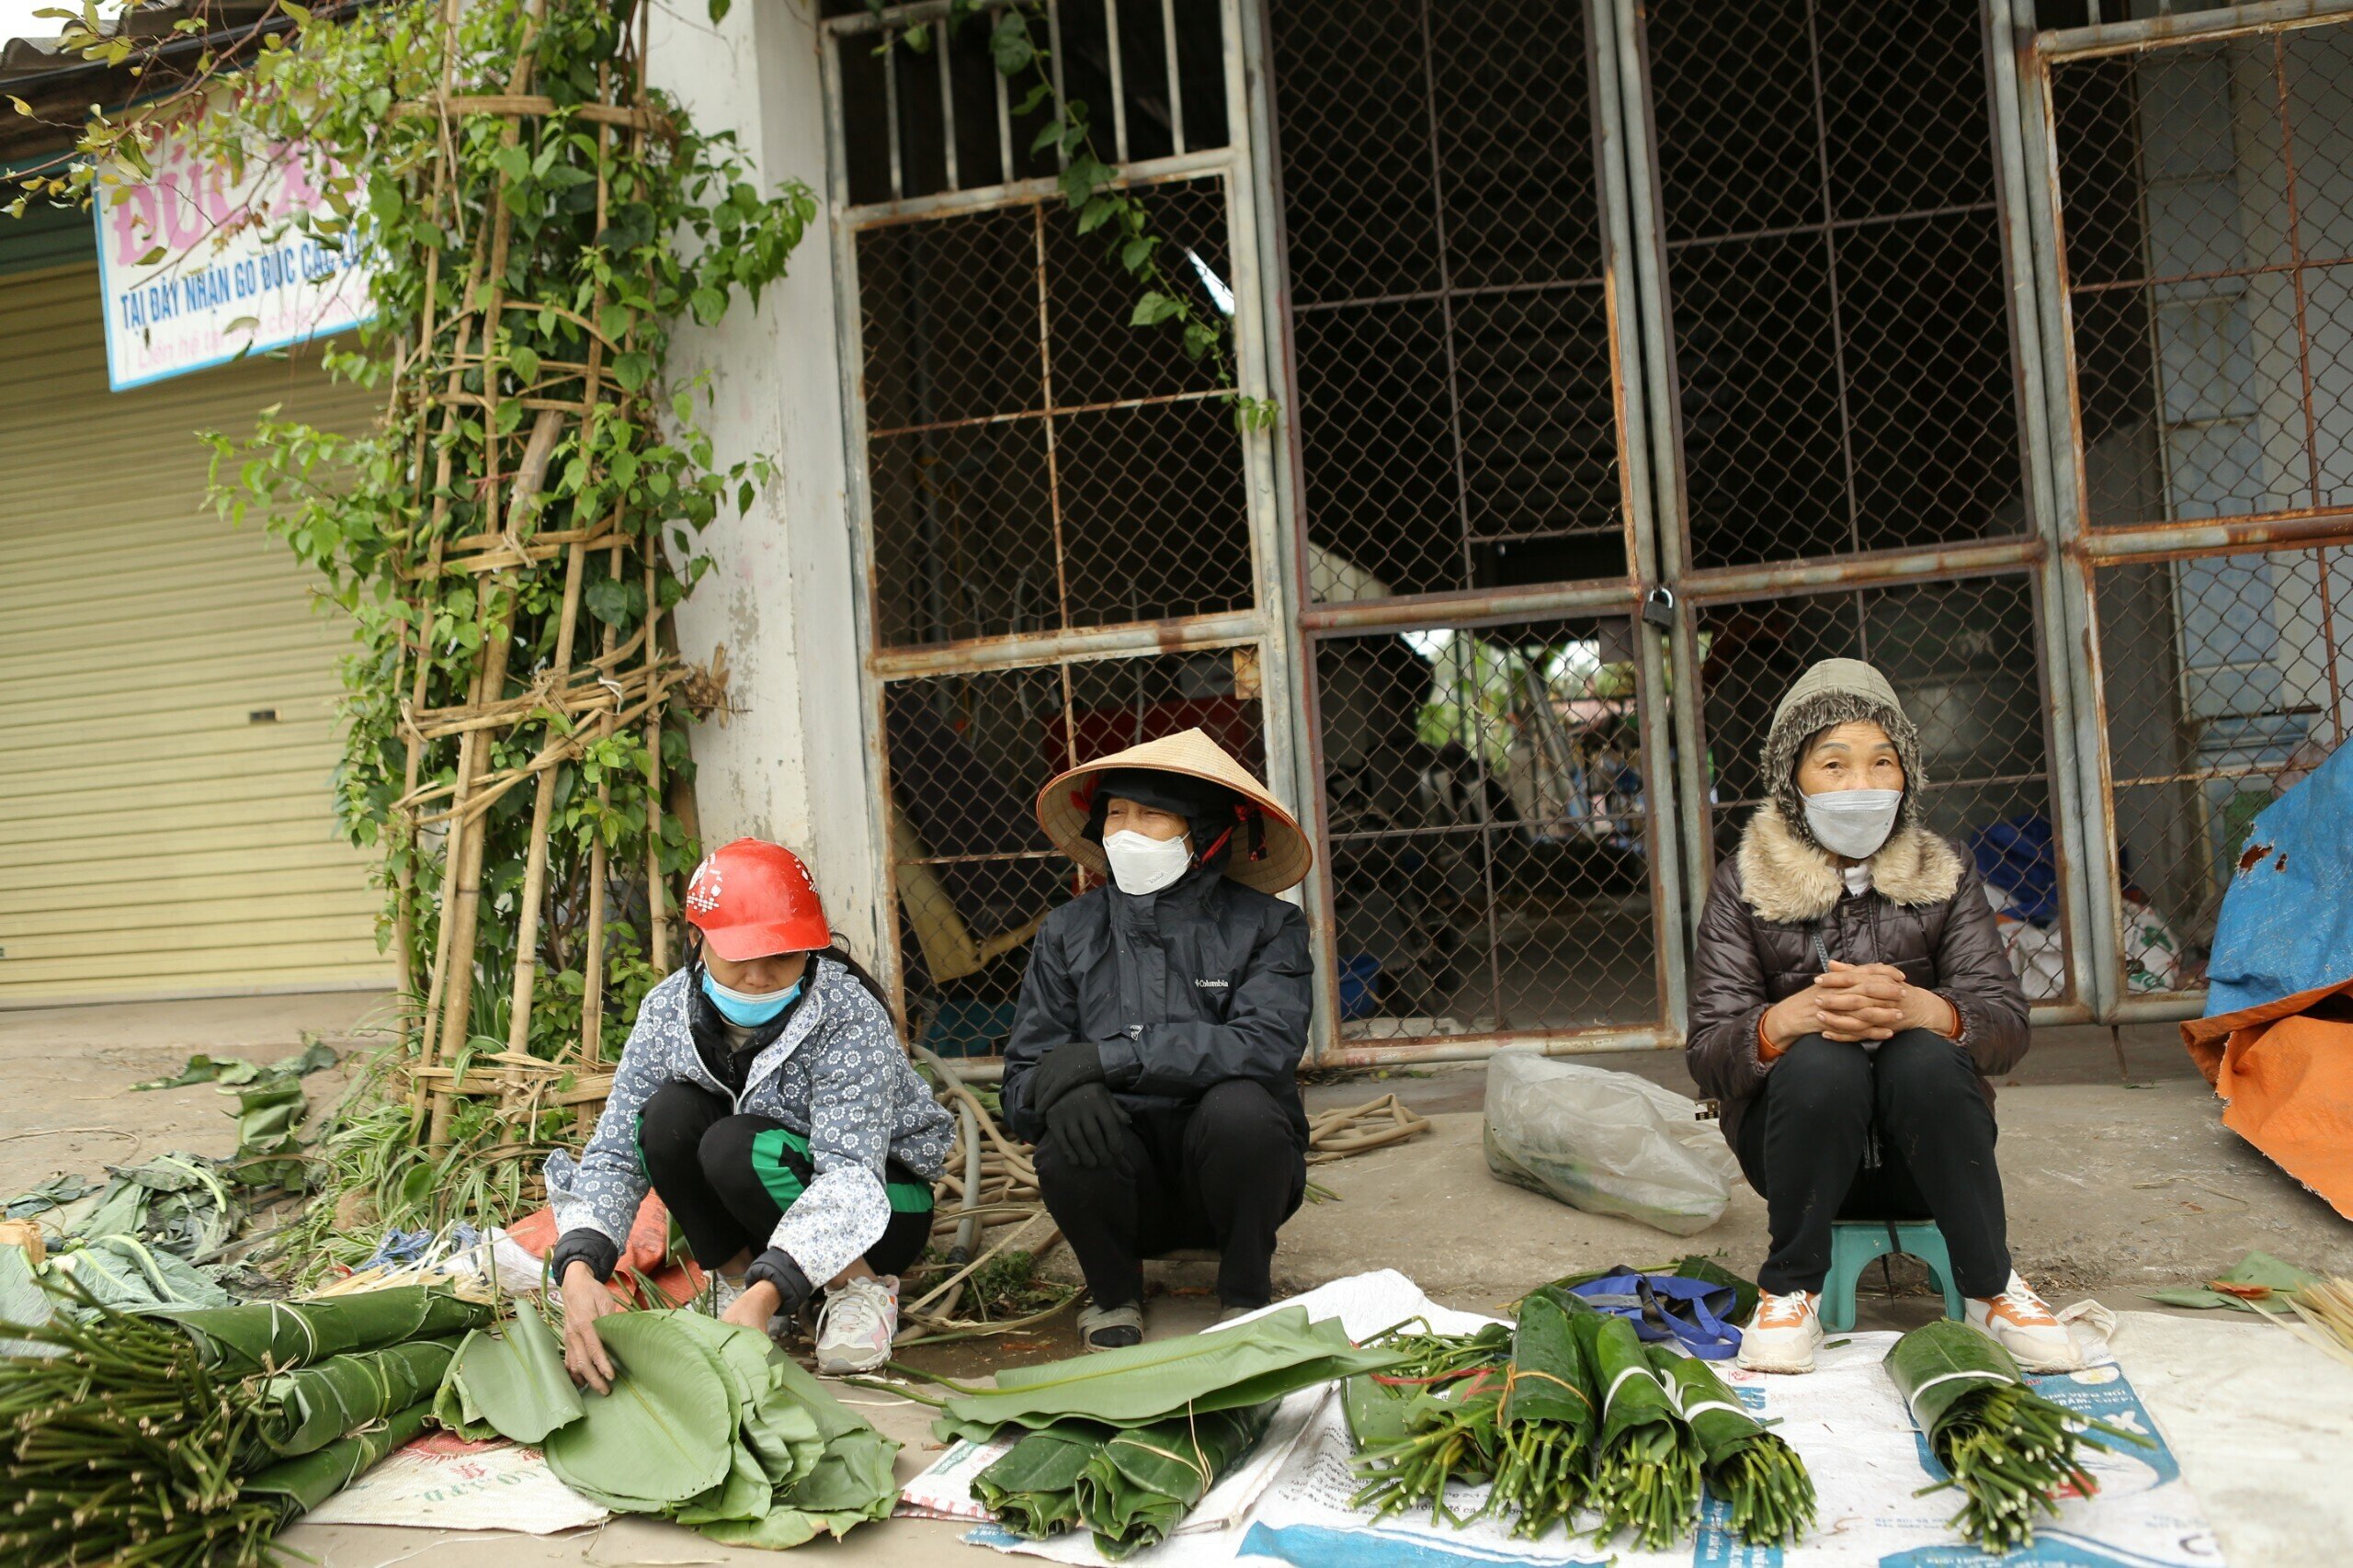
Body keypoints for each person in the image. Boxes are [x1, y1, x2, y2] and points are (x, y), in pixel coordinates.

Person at [1686, 659, 2079, 1375]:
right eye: (1833, 765)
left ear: (1907, 777)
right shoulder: (1744, 881)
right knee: (1822, 1056)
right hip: (1796, 1161)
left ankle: (1992, 1286)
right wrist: (1789, 1020)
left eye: (1881, 762)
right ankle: (1792, 1287)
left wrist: (1927, 1010)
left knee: (1923, 1052)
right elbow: (1708, 1050)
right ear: (1791, 780)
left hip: (1927, 1158)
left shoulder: (1945, 870)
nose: (1860, 785)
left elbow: (2006, 1025)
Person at [544, 838, 954, 1384]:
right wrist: (578, 1268)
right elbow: (615, 1150)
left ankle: (857, 1291)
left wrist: (773, 1286)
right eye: (740, 958)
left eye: (782, 957)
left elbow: (852, 1177)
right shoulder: (666, 1011)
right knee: (667, 1118)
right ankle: (736, 1285)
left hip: (882, 1209)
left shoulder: (846, 1013)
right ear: (698, 940)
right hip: (762, 1203)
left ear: (811, 948)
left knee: (733, 1145)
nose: (760, 978)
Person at [1003, 729, 1316, 1351]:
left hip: (1229, 1181)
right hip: (1124, 1190)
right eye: (1115, 813)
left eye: (1152, 815)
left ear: (1203, 834)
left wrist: (1110, 1058)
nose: (1125, 831)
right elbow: (1020, 1085)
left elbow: (1266, 1044)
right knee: (1066, 1119)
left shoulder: (1269, 925)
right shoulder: (1068, 931)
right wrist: (1057, 1094)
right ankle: (1113, 1294)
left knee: (1247, 1111)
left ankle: (1246, 1293)